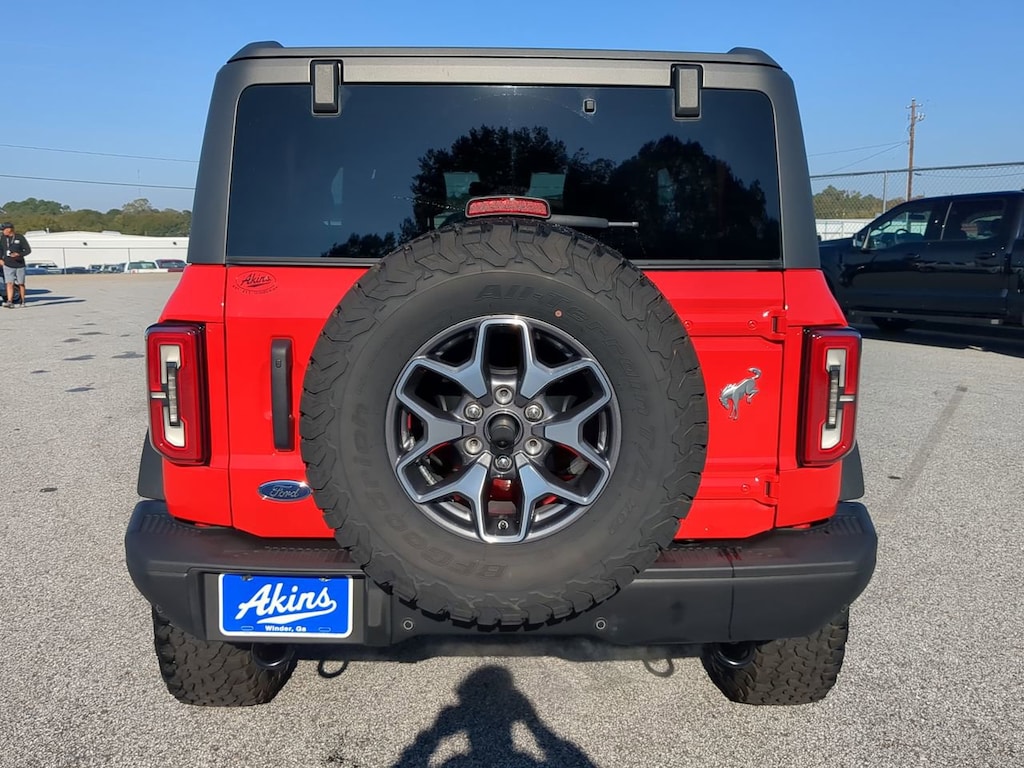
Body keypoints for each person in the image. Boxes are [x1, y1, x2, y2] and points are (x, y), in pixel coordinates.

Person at [2, 222, 31, 307]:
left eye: (4, 230)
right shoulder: (3, 238)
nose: (3, 232)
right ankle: (10, 301)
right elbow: (0, 249)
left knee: (20, 283)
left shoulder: (20, 237)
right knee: (9, 283)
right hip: (7, 264)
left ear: (9, 229)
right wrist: (0, 259)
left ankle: (22, 301)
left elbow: (28, 250)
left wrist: (19, 254)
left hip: (19, 264)